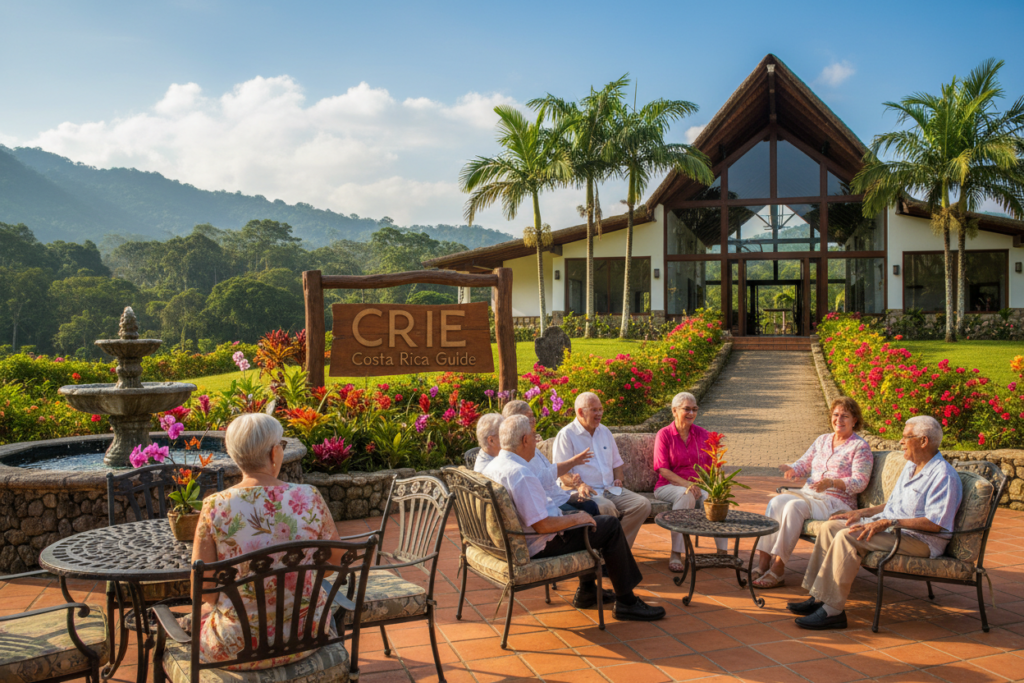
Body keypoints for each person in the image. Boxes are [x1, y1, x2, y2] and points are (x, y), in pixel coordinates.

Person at [191, 413, 344, 669]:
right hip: (306, 636)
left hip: (237, 648)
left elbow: (204, 592)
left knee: (189, 623)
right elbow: (336, 562)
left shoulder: (214, 506)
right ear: (275, 453)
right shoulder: (309, 497)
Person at [787, 415, 962, 630]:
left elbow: (935, 524)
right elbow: (892, 504)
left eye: (906, 437)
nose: (900, 442)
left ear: (923, 441)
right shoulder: (911, 467)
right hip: (894, 529)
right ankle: (818, 597)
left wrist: (887, 522)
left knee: (848, 536)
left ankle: (833, 611)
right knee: (829, 528)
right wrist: (862, 513)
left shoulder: (944, 475)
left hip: (920, 541)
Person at [484, 414, 665, 621]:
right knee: (610, 526)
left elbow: (541, 506)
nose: (537, 441)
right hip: (541, 543)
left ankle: (588, 590)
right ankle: (627, 602)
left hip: (520, 539)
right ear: (525, 440)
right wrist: (577, 519)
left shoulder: (496, 466)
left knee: (591, 514)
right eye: (534, 437)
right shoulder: (520, 474)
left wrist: (576, 515)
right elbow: (543, 525)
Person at [752, 397, 874, 590]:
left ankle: (778, 569)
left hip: (836, 501)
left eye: (844, 416)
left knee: (794, 506)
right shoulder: (822, 440)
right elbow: (804, 463)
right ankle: (763, 563)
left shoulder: (860, 447)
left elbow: (860, 482)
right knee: (776, 503)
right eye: (835, 415)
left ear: (855, 420)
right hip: (810, 494)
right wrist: (792, 468)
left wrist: (833, 483)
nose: (839, 419)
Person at [551, 392, 652, 547]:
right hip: (583, 492)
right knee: (607, 507)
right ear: (580, 412)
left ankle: (616, 549)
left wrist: (619, 479)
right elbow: (562, 473)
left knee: (642, 504)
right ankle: (613, 551)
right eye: (594, 410)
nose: (599, 414)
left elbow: (617, 464)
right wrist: (580, 485)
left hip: (610, 489)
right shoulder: (566, 435)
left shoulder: (604, 431)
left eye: (600, 409)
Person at [653, 392, 728, 570]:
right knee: (686, 496)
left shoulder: (702, 434)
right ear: (674, 411)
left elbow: (714, 465)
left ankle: (723, 553)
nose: (691, 413)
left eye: (694, 409)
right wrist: (687, 484)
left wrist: (714, 486)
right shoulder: (664, 434)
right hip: (668, 485)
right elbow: (662, 469)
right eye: (686, 409)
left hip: (699, 486)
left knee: (716, 500)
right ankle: (676, 553)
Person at [499, 400, 599, 516]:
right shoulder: (518, 451)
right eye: (528, 417)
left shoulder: (529, 444)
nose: (533, 420)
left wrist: (574, 464)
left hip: (558, 496)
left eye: (533, 416)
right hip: (549, 505)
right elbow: (541, 479)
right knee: (595, 515)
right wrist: (573, 462)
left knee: (591, 506)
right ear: (513, 421)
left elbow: (547, 472)